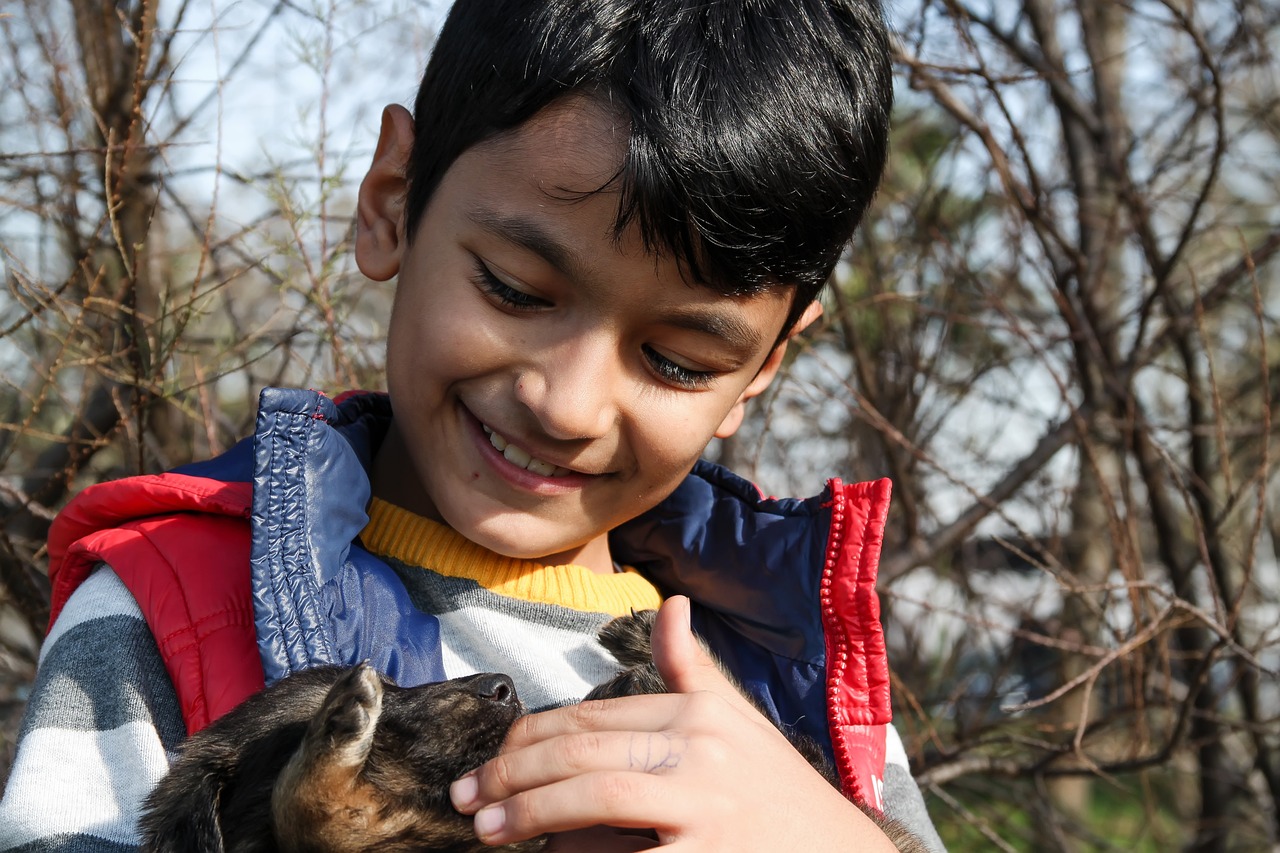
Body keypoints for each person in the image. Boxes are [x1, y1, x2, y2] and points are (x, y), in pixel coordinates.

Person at [0, 0, 946, 850]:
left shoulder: (774, 681)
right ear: (392, 202)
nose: (567, 404)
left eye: (677, 360)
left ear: (762, 367)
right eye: (516, 289)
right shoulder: (172, 605)